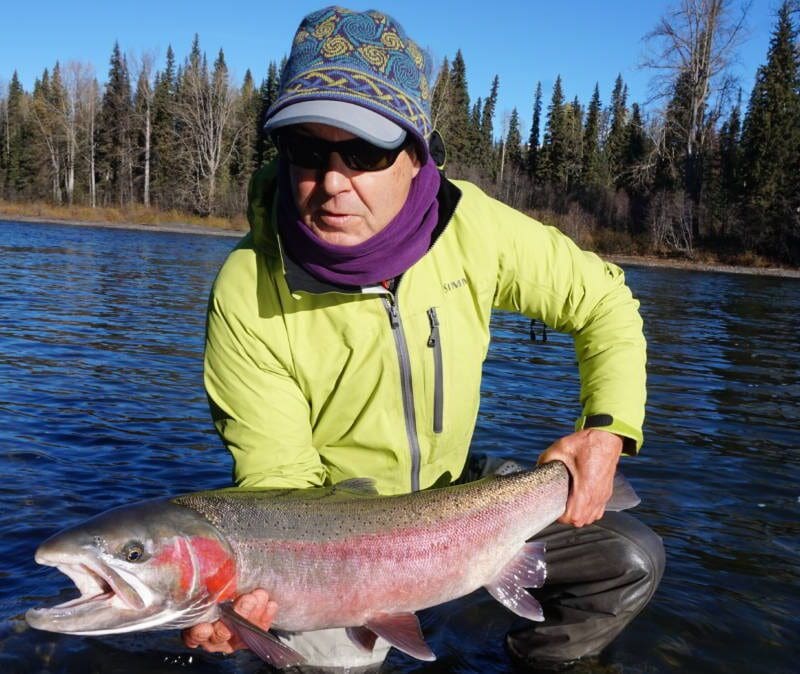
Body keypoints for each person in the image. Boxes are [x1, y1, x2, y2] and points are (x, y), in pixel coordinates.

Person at [183, 5, 664, 669]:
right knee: (319, 658)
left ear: (418, 153)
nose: (330, 182)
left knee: (629, 561)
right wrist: (252, 594)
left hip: (458, 499)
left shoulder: (475, 231)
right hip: (333, 536)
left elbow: (604, 302)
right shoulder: (246, 288)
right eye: (306, 150)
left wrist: (607, 429)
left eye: (363, 152)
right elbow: (280, 491)